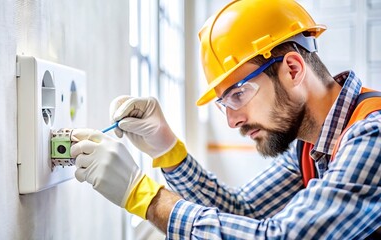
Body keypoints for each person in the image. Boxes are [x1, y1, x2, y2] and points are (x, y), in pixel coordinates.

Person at [70, 0, 381, 239]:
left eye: (239, 94)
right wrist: (167, 149)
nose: (232, 121)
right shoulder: (310, 148)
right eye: (224, 103)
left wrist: (145, 198)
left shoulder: (372, 135)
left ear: (293, 70)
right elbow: (242, 211)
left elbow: (280, 236)